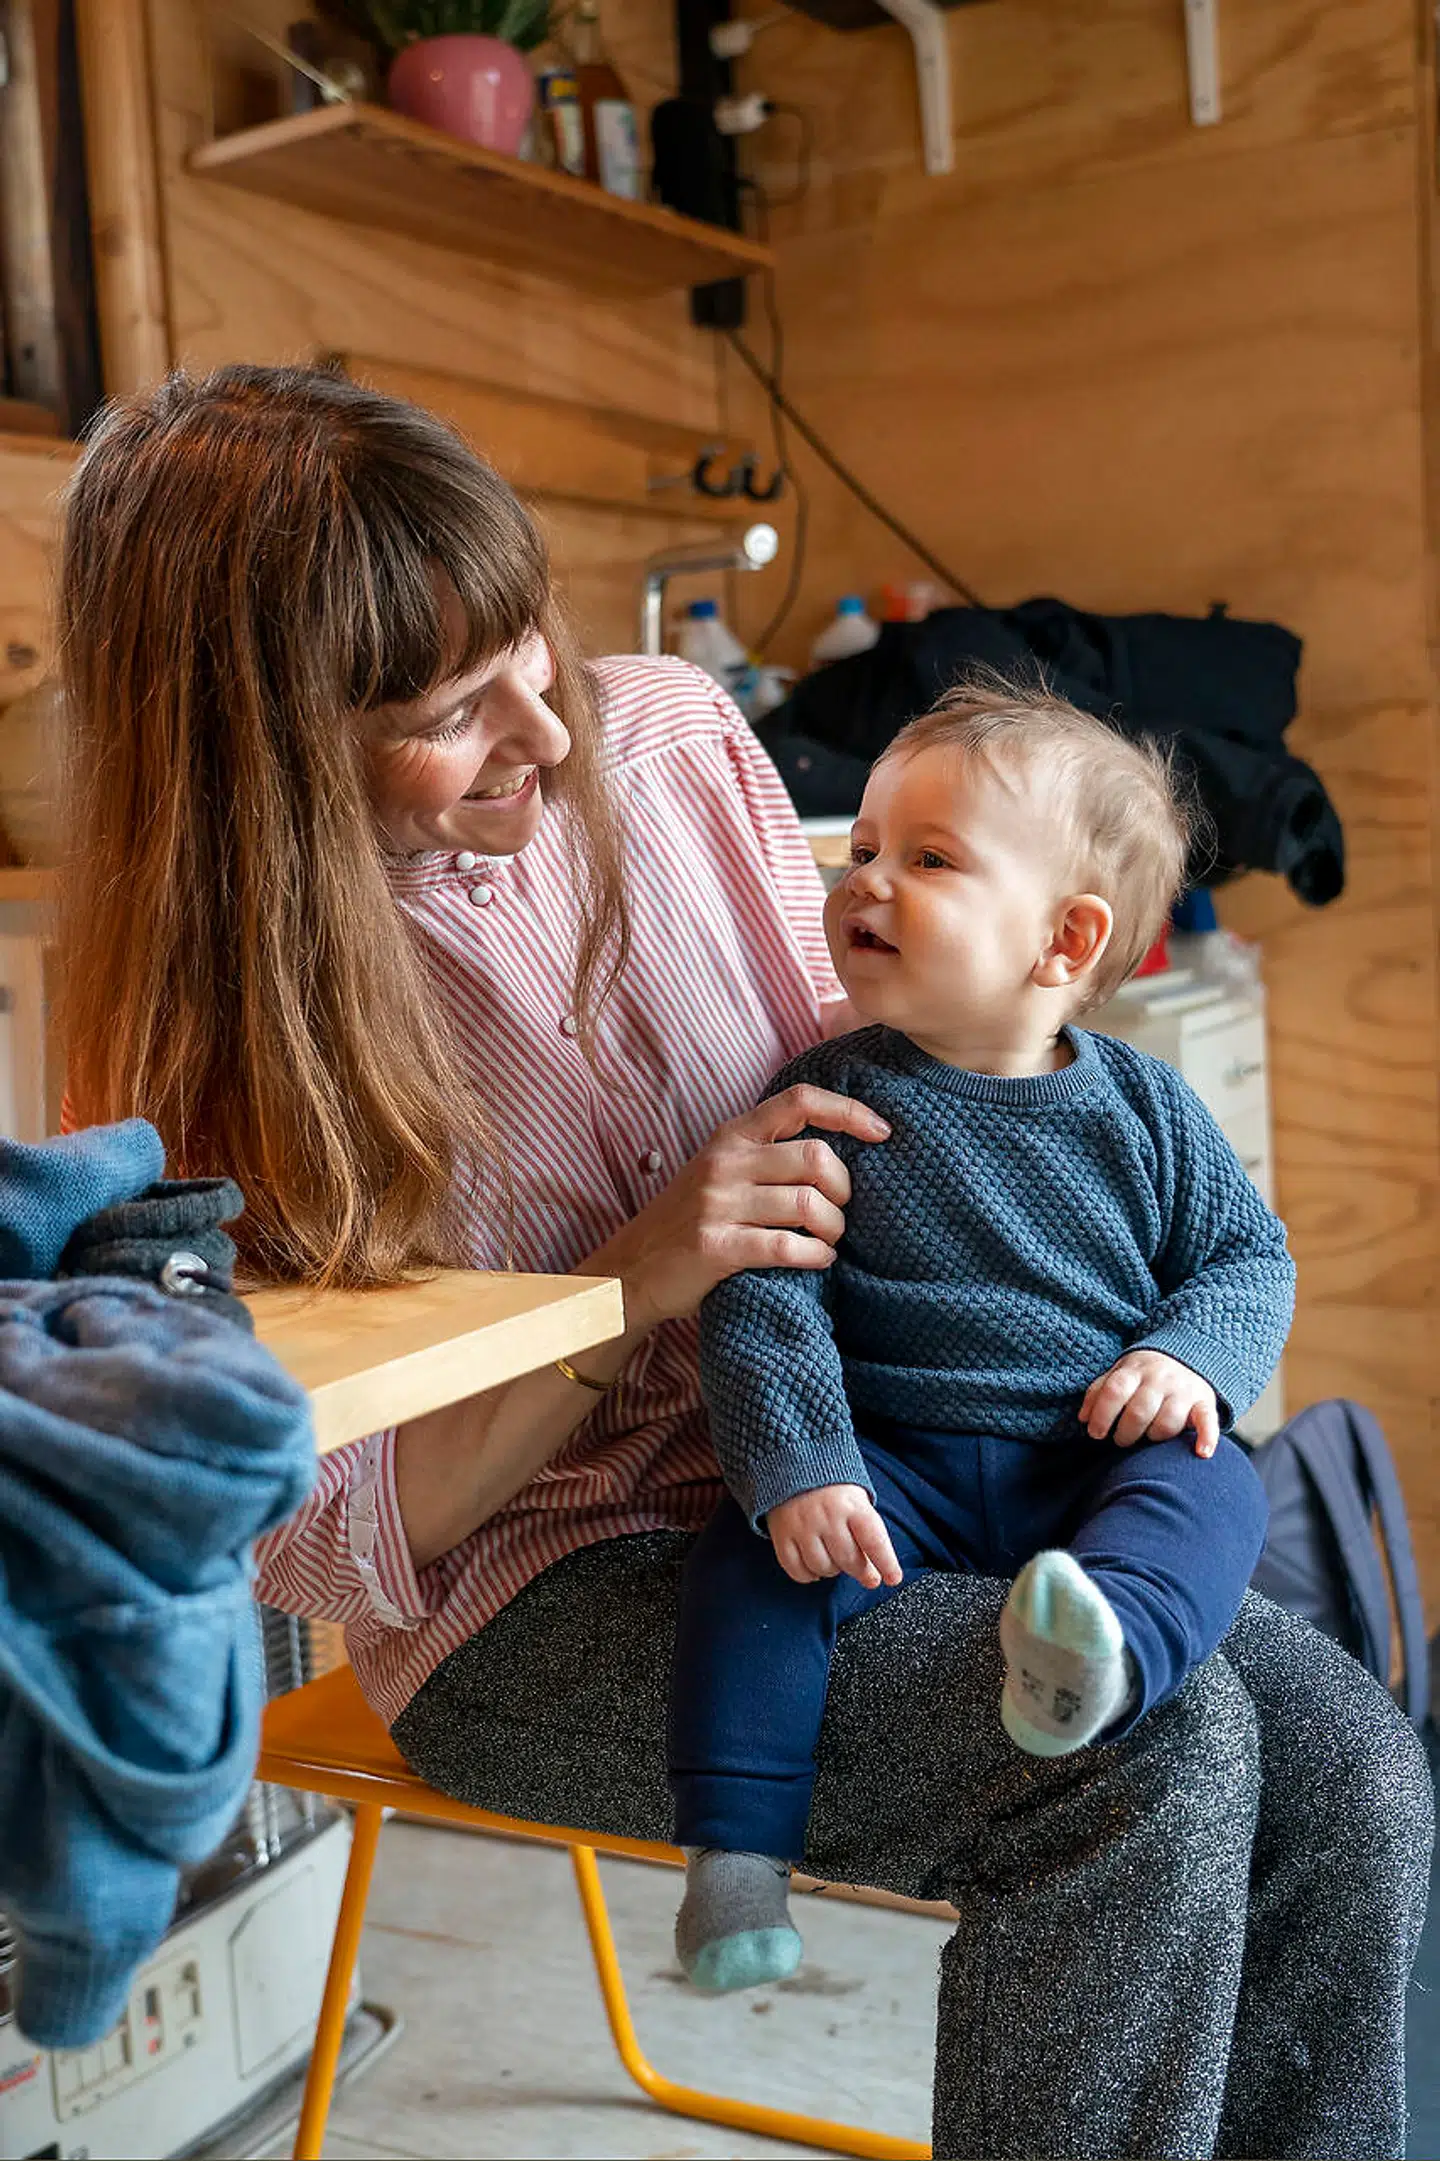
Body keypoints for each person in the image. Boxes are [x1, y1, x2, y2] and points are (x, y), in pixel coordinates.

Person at [53, 362, 1431, 2161]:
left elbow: (886, 1120)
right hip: (542, 1599)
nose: (547, 735)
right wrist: (629, 1282)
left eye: (526, 648)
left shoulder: (680, 741)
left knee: (1352, 1767)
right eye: (454, 712)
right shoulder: (191, 1048)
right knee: (1138, 1767)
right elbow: (322, 1535)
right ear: (264, 748)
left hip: (893, 1481)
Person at [669, 684, 1291, 1993]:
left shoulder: (1151, 1113)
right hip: (888, 1473)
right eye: (864, 853)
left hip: (1083, 1461)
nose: (869, 884)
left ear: (1063, 942)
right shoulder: (825, 1095)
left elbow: (1249, 1260)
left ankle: (1099, 1651)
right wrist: (805, 1469)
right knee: (747, 1560)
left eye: (929, 860)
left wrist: (1187, 1360)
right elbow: (763, 1299)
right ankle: (734, 1863)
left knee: (1219, 1482)